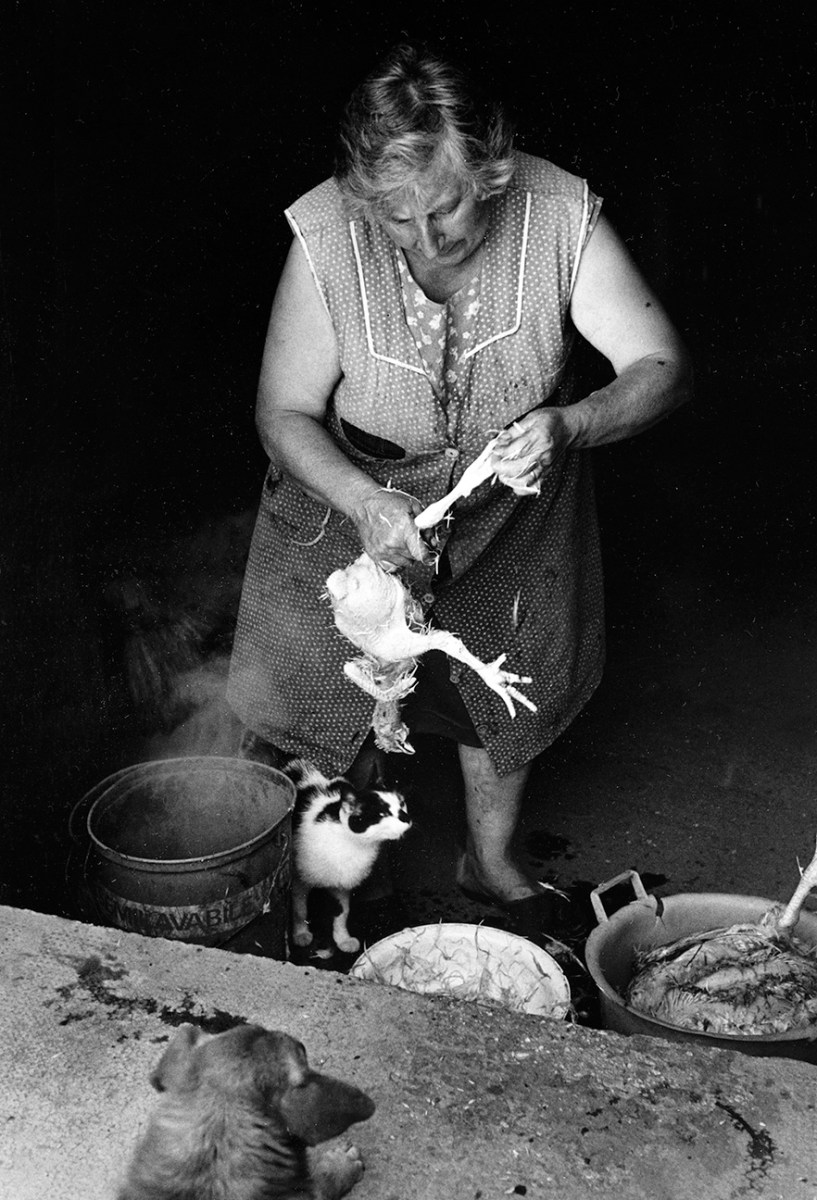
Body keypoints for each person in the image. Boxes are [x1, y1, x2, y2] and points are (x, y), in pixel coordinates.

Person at [227, 42, 692, 938]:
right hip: (353, 496)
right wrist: (363, 501)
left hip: (511, 499)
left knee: (501, 681)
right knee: (330, 688)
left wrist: (569, 425)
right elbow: (282, 411)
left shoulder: (557, 213)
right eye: (395, 220)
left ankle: (488, 861)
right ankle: (339, 877)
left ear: (491, 170)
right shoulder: (326, 233)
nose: (424, 241)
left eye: (444, 209)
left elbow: (661, 366)